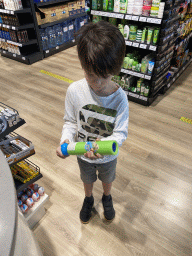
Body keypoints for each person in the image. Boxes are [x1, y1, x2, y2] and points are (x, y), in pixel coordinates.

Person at [56, 20, 129, 224]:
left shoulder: (120, 98)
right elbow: (70, 122)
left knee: (107, 178)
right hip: (82, 153)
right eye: (90, 75)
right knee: (86, 179)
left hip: (107, 156)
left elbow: (120, 133)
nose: (96, 83)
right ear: (82, 65)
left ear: (115, 70)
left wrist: (106, 147)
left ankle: (107, 197)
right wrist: (65, 142)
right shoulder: (74, 91)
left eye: (103, 77)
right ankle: (88, 199)